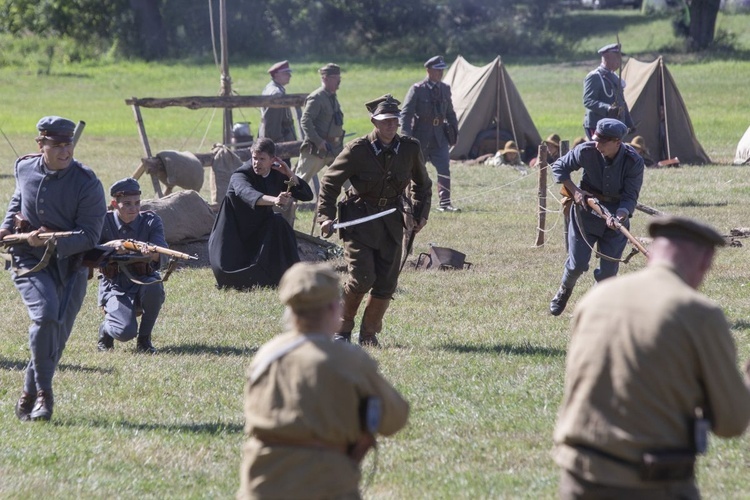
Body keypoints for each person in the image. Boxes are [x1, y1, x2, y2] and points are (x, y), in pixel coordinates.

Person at [553, 215, 750, 499]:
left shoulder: (596, 299)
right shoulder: (699, 314)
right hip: (651, 482)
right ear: (706, 261)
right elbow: (732, 422)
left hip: (578, 476)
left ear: (651, 254)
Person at [237, 261, 410, 499]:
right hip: (325, 483)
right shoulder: (350, 360)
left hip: (261, 484)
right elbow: (395, 418)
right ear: (334, 308)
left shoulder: (265, 355)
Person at [1, 116, 106, 422]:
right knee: (46, 315)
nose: (64, 151)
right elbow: (17, 202)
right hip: (27, 261)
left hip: (70, 265)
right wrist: (7, 228)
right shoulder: (23, 167)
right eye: (57, 145)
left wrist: (46, 239)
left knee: (56, 335)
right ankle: (46, 395)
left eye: (68, 144)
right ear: (41, 145)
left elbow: (90, 235)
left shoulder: (87, 182)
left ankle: (28, 392)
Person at [317, 95, 432, 347]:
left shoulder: (410, 148)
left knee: (387, 283)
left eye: (394, 120)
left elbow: (422, 185)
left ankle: (368, 335)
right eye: (385, 121)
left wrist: (419, 214)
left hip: (391, 222)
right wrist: (325, 216)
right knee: (362, 278)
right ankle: (341, 330)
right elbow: (330, 181)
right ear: (374, 122)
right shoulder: (358, 150)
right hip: (359, 221)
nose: (390, 125)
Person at [549, 118, 644, 316]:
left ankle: (591, 306)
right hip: (586, 214)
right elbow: (559, 167)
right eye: (596, 139)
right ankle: (564, 291)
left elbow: (630, 197)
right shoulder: (586, 151)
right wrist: (575, 191)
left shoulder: (634, 161)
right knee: (577, 265)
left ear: (617, 142)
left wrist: (619, 215)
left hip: (616, 219)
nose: (597, 145)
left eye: (603, 142)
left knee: (609, 274)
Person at [209, 137, 313, 290]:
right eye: (254, 158)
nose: (257, 163)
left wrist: (288, 172)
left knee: (279, 223)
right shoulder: (240, 175)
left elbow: (307, 195)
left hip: (259, 228)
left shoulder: (278, 174)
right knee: (227, 276)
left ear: (273, 159)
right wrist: (275, 200)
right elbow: (247, 193)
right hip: (233, 231)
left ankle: (293, 274)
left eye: (262, 159)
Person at [96, 177, 167, 354]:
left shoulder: (151, 221)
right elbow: (88, 251)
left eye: (137, 203)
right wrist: (112, 248)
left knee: (155, 287)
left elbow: (162, 249)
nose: (133, 209)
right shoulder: (102, 222)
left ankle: (144, 340)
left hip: (144, 278)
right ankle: (106, 329)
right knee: (125, 333)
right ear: (114, 203)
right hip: (114, 284)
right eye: (127, 204)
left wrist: (152, 253)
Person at [401, 55, 460, 212]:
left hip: (439, 138)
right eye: (437, 70)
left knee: (444, 169)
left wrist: (455, 130)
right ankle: (406, 200)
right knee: (413, 171)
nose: (440, 73)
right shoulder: (417, 89)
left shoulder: (444, 89)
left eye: (441, 70)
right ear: (428, 70)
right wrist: (407, 137)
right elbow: (406, 114)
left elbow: (450, 113)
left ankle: (445, 203)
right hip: (420, 137)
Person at [294, 63, 344, 186]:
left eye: (339, 78)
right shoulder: (316, 98)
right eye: (335, 78)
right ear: (325, 79)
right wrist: (318, 141)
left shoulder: (332, 97)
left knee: (347, 178)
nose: (338, 81)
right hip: (317, 150)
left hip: (334, 148)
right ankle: (282, 204)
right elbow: (305, 121)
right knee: (298, 183)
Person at [583, 43, 634, 140]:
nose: (620, 62)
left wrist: (628, 122)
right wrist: (607, 108)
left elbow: (621, 102)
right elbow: (588, 100)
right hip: (598, 125)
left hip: (613, 125)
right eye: (617, 58)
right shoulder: (595, 76)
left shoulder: (615, 78)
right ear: (607, 57)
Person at [258, 60, 296, 148]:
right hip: (278, 141)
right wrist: (278, 143)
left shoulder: (275, 89)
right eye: (286, 73)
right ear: (276, 75)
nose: (290, 76)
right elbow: (273, 123)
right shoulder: (276, 94)